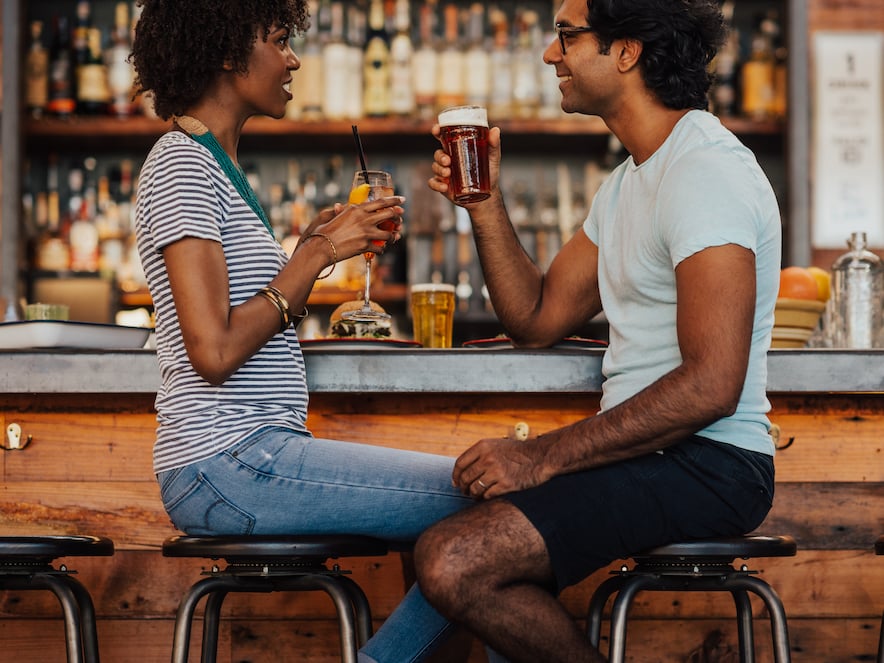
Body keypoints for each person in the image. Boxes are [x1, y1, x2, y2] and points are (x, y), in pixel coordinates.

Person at [418, 0, 782, 660]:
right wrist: (484, 203)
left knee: (455, 557)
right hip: (652, 458)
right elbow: (536, 316)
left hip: (713, 464)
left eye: (566, 36)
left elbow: (712, 385)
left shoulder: (705, 171)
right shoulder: (626, 184)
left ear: (626, 51)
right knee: (455, 538)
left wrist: (539, 455)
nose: (550, 55)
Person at [130, 2, 473, 661]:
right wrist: (313, 257)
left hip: (250, 454)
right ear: (230, 50)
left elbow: (244, 317)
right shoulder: (181, 165)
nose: (293, 60)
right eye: (280, 41)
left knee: (477, 519)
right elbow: (214, 349)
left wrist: (309, 247)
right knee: (480, 505)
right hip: (226, 461)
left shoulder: (217, 166)